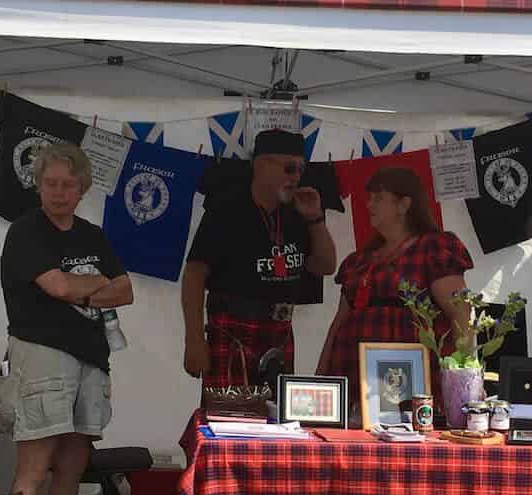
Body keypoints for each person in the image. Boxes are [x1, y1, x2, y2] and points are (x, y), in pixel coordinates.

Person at [0, 143, 134, 495]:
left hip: (92, 360)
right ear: (39, 184)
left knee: (73, 465)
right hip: (41, 355)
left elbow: (128, 290)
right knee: (33, 468)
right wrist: (96, 285)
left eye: (68, 184)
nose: (59, 192)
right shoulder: (25, 231)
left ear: (82, 189)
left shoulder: (93, 234)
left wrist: (82, 287)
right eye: (51, 182)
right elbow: (57, 287)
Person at [182, 129, 336, 392]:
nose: (296, 177)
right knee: (227, 420)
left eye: (300, 169)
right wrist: (194, 339)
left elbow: (325, 267)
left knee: (278, 421)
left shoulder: (299, 210)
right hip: (232, 328)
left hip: (279, 330)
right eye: (289, 168)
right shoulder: (226, 207)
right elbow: (195, 274)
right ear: (262, 165)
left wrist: (315, 219)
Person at [318, 166, 472, 409]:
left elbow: (461, 312)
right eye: (369, 198)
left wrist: (461, 378)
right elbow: (339, 321)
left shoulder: (433, 248)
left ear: (404, 204)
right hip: (351, 370)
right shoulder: (358, 261)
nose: (369, 205)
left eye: (378, 198)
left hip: (410, 378)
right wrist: (322, 374)